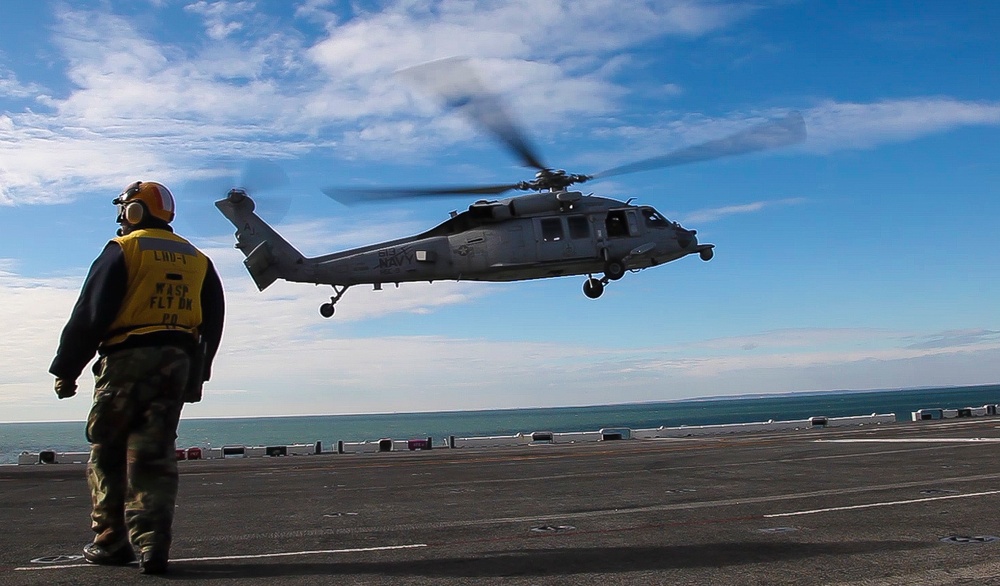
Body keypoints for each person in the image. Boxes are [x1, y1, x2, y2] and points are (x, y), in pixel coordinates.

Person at [49, 180, 225, 575]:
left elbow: (89, 313)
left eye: (124, 210)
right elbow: (212, 323)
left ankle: (111, 542)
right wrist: (199, 375)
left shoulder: (124, 250)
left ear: (134, 212)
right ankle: (153, 545)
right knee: (155, 455)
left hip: (126, 360)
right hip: (177, 364)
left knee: (108, 450)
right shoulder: (198, 259)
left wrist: (66, 368)